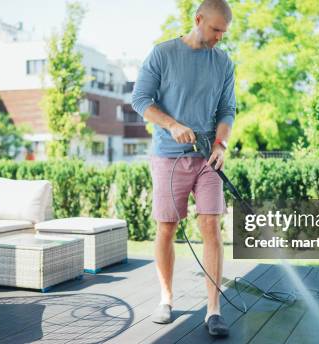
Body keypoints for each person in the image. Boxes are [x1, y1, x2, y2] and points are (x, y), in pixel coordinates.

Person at [131, 0, 236, 338]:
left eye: (224, 32)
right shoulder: (162, 54)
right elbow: (141, 100)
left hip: (207, 158)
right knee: (166, 227)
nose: (220, 37)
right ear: (198, 19)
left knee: (211, 226)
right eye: (215, 29)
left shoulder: (223, 62)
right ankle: (165, 298)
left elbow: (227, 109)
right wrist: (172, 125)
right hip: (168, 157)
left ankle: (214, 310)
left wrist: (220, 145)